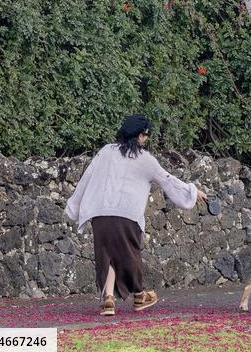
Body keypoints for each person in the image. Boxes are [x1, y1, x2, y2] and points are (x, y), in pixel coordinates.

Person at [65, 114, 207, 316]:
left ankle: (108, 300)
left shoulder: (106, 152)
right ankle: (139, 295)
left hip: (101, 213)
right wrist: (193, 192)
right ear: (140, 136)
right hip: (127, 215)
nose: (146, 139)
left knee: (107, 255)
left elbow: (86, 178)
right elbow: (168, 180)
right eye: (146, 135)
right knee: (130, 255)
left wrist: (74, 206)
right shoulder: (146, 160)